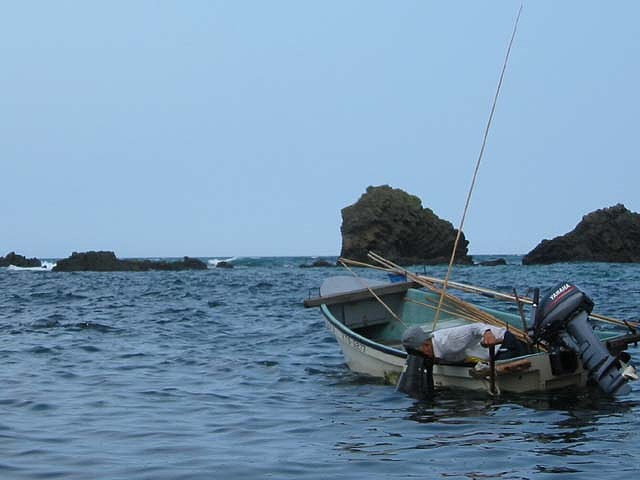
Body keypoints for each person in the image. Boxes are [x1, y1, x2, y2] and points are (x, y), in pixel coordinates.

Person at [401, 323, 525, 363]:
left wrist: (487, 333)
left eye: (422, 353)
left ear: (426, 345)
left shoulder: (448, 341)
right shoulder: (437, 350)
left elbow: (474, 327)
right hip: (483, 355)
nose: (424, 357)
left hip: (503, 343)